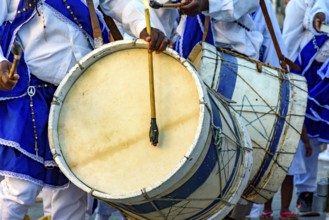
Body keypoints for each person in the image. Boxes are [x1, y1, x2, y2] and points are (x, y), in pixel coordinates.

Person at [0, 0, 168, 219]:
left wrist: (141, 28)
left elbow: (117, 3)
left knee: (74, 191)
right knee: (21, 190)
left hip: (81, 94)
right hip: (35, 97)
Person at [282, 0, 329, 214]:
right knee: (309, 134)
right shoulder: (299, 4)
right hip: (312, 73)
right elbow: (289, 40)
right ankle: (306, 191)